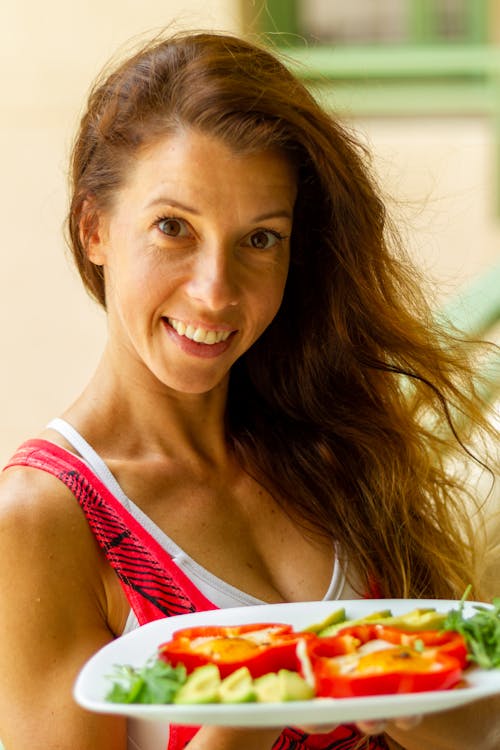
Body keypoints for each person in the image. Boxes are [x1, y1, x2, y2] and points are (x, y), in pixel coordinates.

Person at [0, 29, 498, 750]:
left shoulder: (329, 443)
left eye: (260, 239)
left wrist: (396, 692)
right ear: (94, 228)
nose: (215, 292)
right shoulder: (45, 522)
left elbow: (474, 723)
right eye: (174, 227)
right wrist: (253, 709)